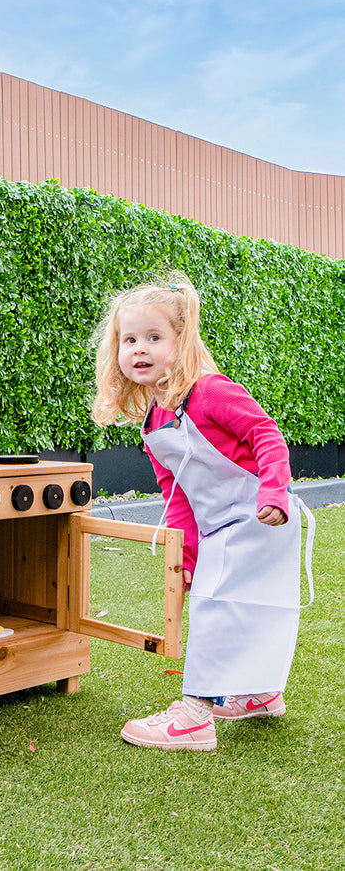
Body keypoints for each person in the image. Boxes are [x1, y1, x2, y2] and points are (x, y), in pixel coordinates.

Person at [92, 273, 314, 750]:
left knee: (218, 607)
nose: (140, 349)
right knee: (248, 609)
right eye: (129, 339)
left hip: (260, 516)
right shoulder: (155, 421)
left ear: (181, 341)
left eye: (154, 337)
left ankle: (195, 716)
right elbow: (178, 499)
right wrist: (187, 559)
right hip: (222, 528)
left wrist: (273, 494)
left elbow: (267, 435)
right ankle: (259, 694)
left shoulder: (210, 391)